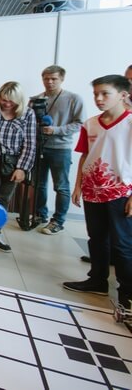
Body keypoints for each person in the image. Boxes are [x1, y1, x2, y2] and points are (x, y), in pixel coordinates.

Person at [64, 75, 131, 309]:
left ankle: (127, 291)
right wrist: (78, 185)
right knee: (97, 237)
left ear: (123, 95)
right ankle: (97, 280)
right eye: (96, 94)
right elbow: (85, 155)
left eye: (105, 94)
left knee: (122, 244)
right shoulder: (90, 124)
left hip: (120, 192)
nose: (99, 99)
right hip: (93, 190)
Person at [0, 82, 37, 252]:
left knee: (4, 198)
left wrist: (22, 168)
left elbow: (30, 143)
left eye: (11, 101)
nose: (7, 104)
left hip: (14, 161)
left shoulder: (28, 114)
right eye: (4, 99)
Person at [30, 65, 84, 235]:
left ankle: (58, 221)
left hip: (60, 148)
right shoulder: (36, 99)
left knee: (61, 186)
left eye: (54, 79)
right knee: (38, 184)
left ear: (62, 79)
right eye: (46, 78)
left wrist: (56, 130)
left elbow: (80, 123)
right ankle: (40, 215)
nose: (50, 82)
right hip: (39, 146)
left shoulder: (73, 98)